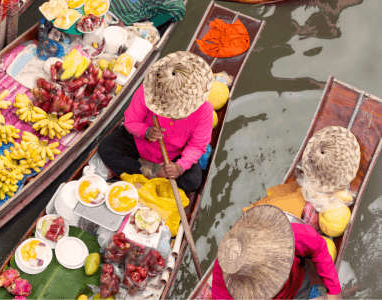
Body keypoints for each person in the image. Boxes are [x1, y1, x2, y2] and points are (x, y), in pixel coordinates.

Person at [98, 51, 215, 192]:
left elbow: (197, 146)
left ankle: (141, 176)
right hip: (141, 144)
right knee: (106, 148)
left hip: (174, 154)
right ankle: (153, 175)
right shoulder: (148, 91)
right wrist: (145, 132)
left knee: (192, 181)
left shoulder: (205, 110)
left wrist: (179, 166)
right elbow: (130, 122)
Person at [211, 204, 343, 300]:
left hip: (299, 281)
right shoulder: (226, 284)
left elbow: (318, 246)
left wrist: (334, 290)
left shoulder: (283, 236)